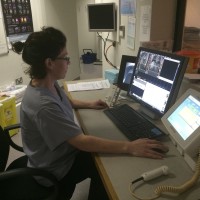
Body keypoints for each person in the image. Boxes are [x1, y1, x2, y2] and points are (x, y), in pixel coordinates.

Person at [12, 27, 169, 200]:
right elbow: (81, 142)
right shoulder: (43, 105)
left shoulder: (46, 82)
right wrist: (130, 147)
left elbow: (64, 101)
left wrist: (88, 104)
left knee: (106, 149)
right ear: (49, 63)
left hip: (57, 156)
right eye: (65, 58)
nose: (69, 62)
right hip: (54, 169)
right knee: (104, 165)